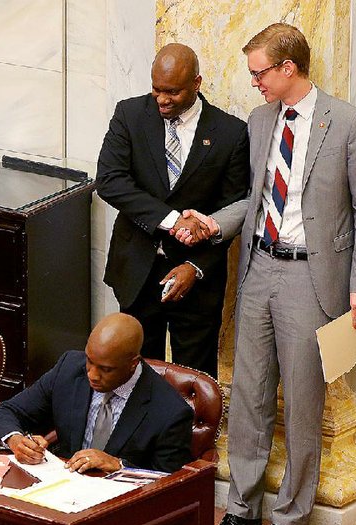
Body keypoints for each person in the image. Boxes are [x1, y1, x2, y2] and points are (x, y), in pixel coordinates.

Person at [180, 24, 356, 525]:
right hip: (257, 270)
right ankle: (242, 509)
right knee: (248, 395)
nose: (254, 84)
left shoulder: (348, 123)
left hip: (311, 279)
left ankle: (291, 518)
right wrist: (212, 224)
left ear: (287, 68)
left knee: (301, 397)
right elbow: (252, 198)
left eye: (259, 73)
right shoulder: (260, 119)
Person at [95, 43, 250, 379]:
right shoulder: (130, 115)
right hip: (137, 272)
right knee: (134, 377)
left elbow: (235, 210)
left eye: (173, 92)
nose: (162, 100)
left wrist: (195, 266)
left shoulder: (231, 133)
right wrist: (172, 221)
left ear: (196, 83)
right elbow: (109, 181)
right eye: (156, 90)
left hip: (197, 280)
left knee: (193, 382)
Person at [0, 313, 193, 474]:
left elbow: (168, 483)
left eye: (106, 369)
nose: (92, 375)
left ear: (133, 364)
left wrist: (119, 465)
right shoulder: (69, 368)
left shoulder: (170, 411)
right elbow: (8, 411)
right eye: (89, 361)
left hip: (122, 508)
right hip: (60, 488)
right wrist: (15, 440)